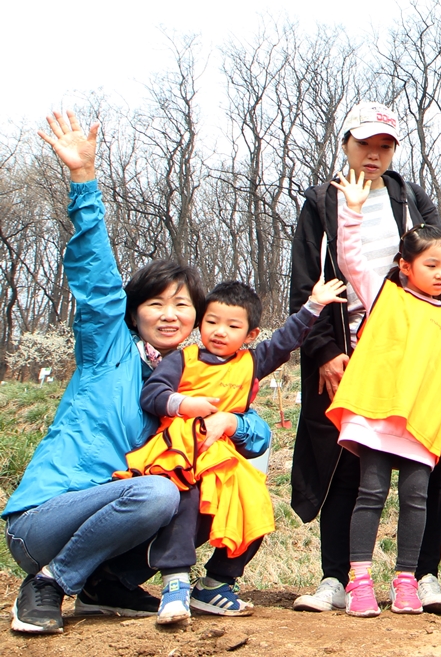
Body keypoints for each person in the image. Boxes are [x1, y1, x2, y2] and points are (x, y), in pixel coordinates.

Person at [5, 111, 269, 634]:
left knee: (212, 486)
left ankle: (108, 585)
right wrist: (84, 180)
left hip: (117, 522)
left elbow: (252, 431)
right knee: (158, 491)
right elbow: (97, 278)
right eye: (155, 304)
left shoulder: (196, 374)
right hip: (46, 519)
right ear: (134, 313)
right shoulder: (110, 349)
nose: (169, 315)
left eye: (182, 305)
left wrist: (235, 425)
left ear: (197, 316)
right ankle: (48, 584)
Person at [290, 102, 441, 614]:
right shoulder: (320, 201)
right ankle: (338, 577)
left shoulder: (409, 197)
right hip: (349, 348)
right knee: (346, 465)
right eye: (365, 143)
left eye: (385, 145)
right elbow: (312, 275)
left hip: (416, 345)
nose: (374, 154)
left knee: (423, 471)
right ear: (345, 142)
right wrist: (324, 350)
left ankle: (422, 574)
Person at [122, 278, 345, 623]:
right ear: (200, 323)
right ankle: (175, 585)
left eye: (232, 325)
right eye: (211, 322)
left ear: (250, 334)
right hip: (180, 450)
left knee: (254, 506)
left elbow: (286, 340)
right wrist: (184, 404)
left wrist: (313, 305)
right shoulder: (184, 359)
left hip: (223, 453)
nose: (220, 332)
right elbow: (151, 395)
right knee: (187, 505)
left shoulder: (251, 363)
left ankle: (217, 582)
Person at [326, 171, 441, 617]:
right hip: (377, 414)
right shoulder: (381, 295)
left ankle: (406, 581)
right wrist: (351, 210)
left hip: (422, 422)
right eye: (431, 265)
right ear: (406, 266)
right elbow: (351, 260)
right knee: (370, 492)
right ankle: (360, 581)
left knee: (416, 498)